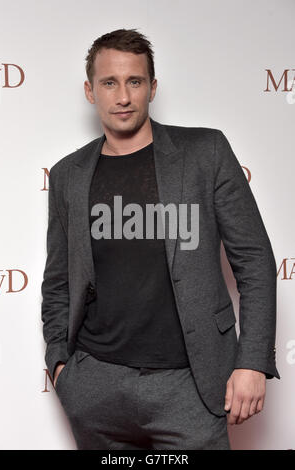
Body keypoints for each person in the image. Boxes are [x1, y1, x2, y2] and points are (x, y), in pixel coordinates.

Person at [41, 28, 280, 450]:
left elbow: (256, 261)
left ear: (152, 87)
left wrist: (252, 363)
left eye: (134, 81)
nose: (123, 96)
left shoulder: (205, 152)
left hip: (190, 383)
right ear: (89, 90)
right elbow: (58, 279)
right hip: (96, 387)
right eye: (109, 83)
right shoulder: (67, 175)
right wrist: (61, 365)